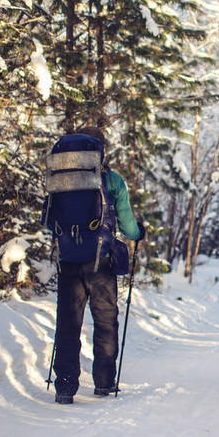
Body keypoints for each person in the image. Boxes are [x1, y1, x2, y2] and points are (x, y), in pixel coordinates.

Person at [51, 126, 145, 404]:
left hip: (68, 261)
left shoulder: (60, 180)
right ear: (100, 151)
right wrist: (138, 234)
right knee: (105, 322)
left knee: (68, 324)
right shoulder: (112, 180)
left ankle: (65, 387)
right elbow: (128, 225)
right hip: (101, 262)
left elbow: (48, 220)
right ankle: (104, 382)